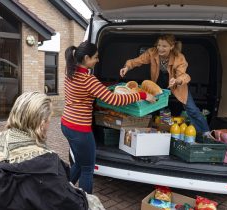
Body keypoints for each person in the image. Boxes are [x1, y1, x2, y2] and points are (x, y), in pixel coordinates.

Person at [0, 92, 104, 210]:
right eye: (49, 118)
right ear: (42, 123)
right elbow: (71, 204)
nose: (49, 123)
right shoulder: (47, 165)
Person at [61, 41, 156, 194]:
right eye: (95, 57)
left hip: (66, 124)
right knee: (87, 169)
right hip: (80, 130)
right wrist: (143, 95)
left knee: (78, 163)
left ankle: (62, 191)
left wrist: (106, 86)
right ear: (86, 58)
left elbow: (92, 90)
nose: (98, 60)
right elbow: (115, 100)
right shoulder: (88, 80)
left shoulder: (70, 73)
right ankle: (87, 203)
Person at [119, 34, 210, 135]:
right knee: (150, 105)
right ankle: (145, 131)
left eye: (164, 46)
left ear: (171, 47)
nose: (160, 48)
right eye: (159, 45)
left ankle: (205, 132)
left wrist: (176, 80)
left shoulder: (179, 58)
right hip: (159, 82)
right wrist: (127, 67)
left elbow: (183, 75)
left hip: (177, 84)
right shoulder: (152, 52)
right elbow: (137, 61)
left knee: (191, 108)